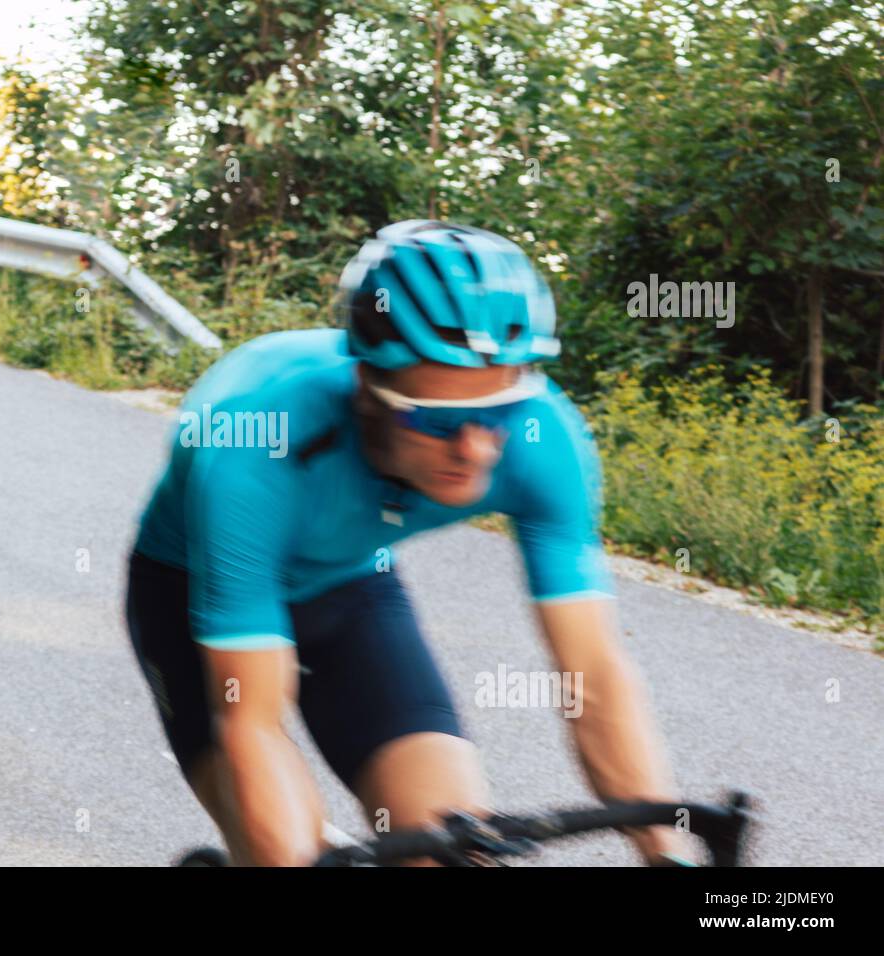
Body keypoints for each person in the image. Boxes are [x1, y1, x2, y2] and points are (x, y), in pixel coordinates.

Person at [126, 220, 689, 866]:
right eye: (440, 422)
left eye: (499, 412)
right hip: (190, 595)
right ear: (368, 388)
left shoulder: (542, 437)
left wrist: (664, 849)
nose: (476, 448)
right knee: (281, 852)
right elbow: (251, 721)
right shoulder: (257, 446)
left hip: (349, 586)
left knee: (450, 849)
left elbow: (592, 673)